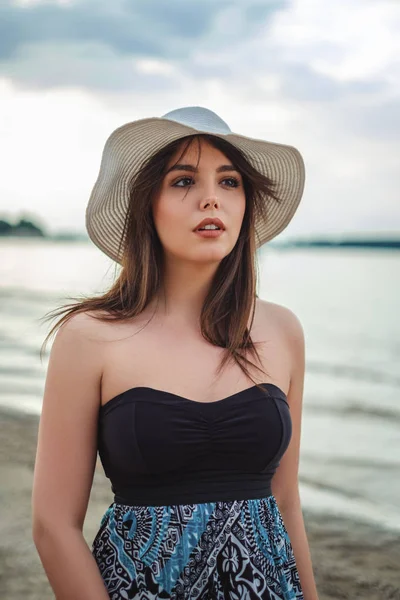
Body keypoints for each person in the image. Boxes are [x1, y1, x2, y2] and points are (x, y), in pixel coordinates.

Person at [32, 106, 318, 599]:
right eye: (183, 181)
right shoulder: (90, 337)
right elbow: (52, 525)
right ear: (148, 205)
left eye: (229, 183)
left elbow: (286, 501)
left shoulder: (282, 331)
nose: (211, 199)